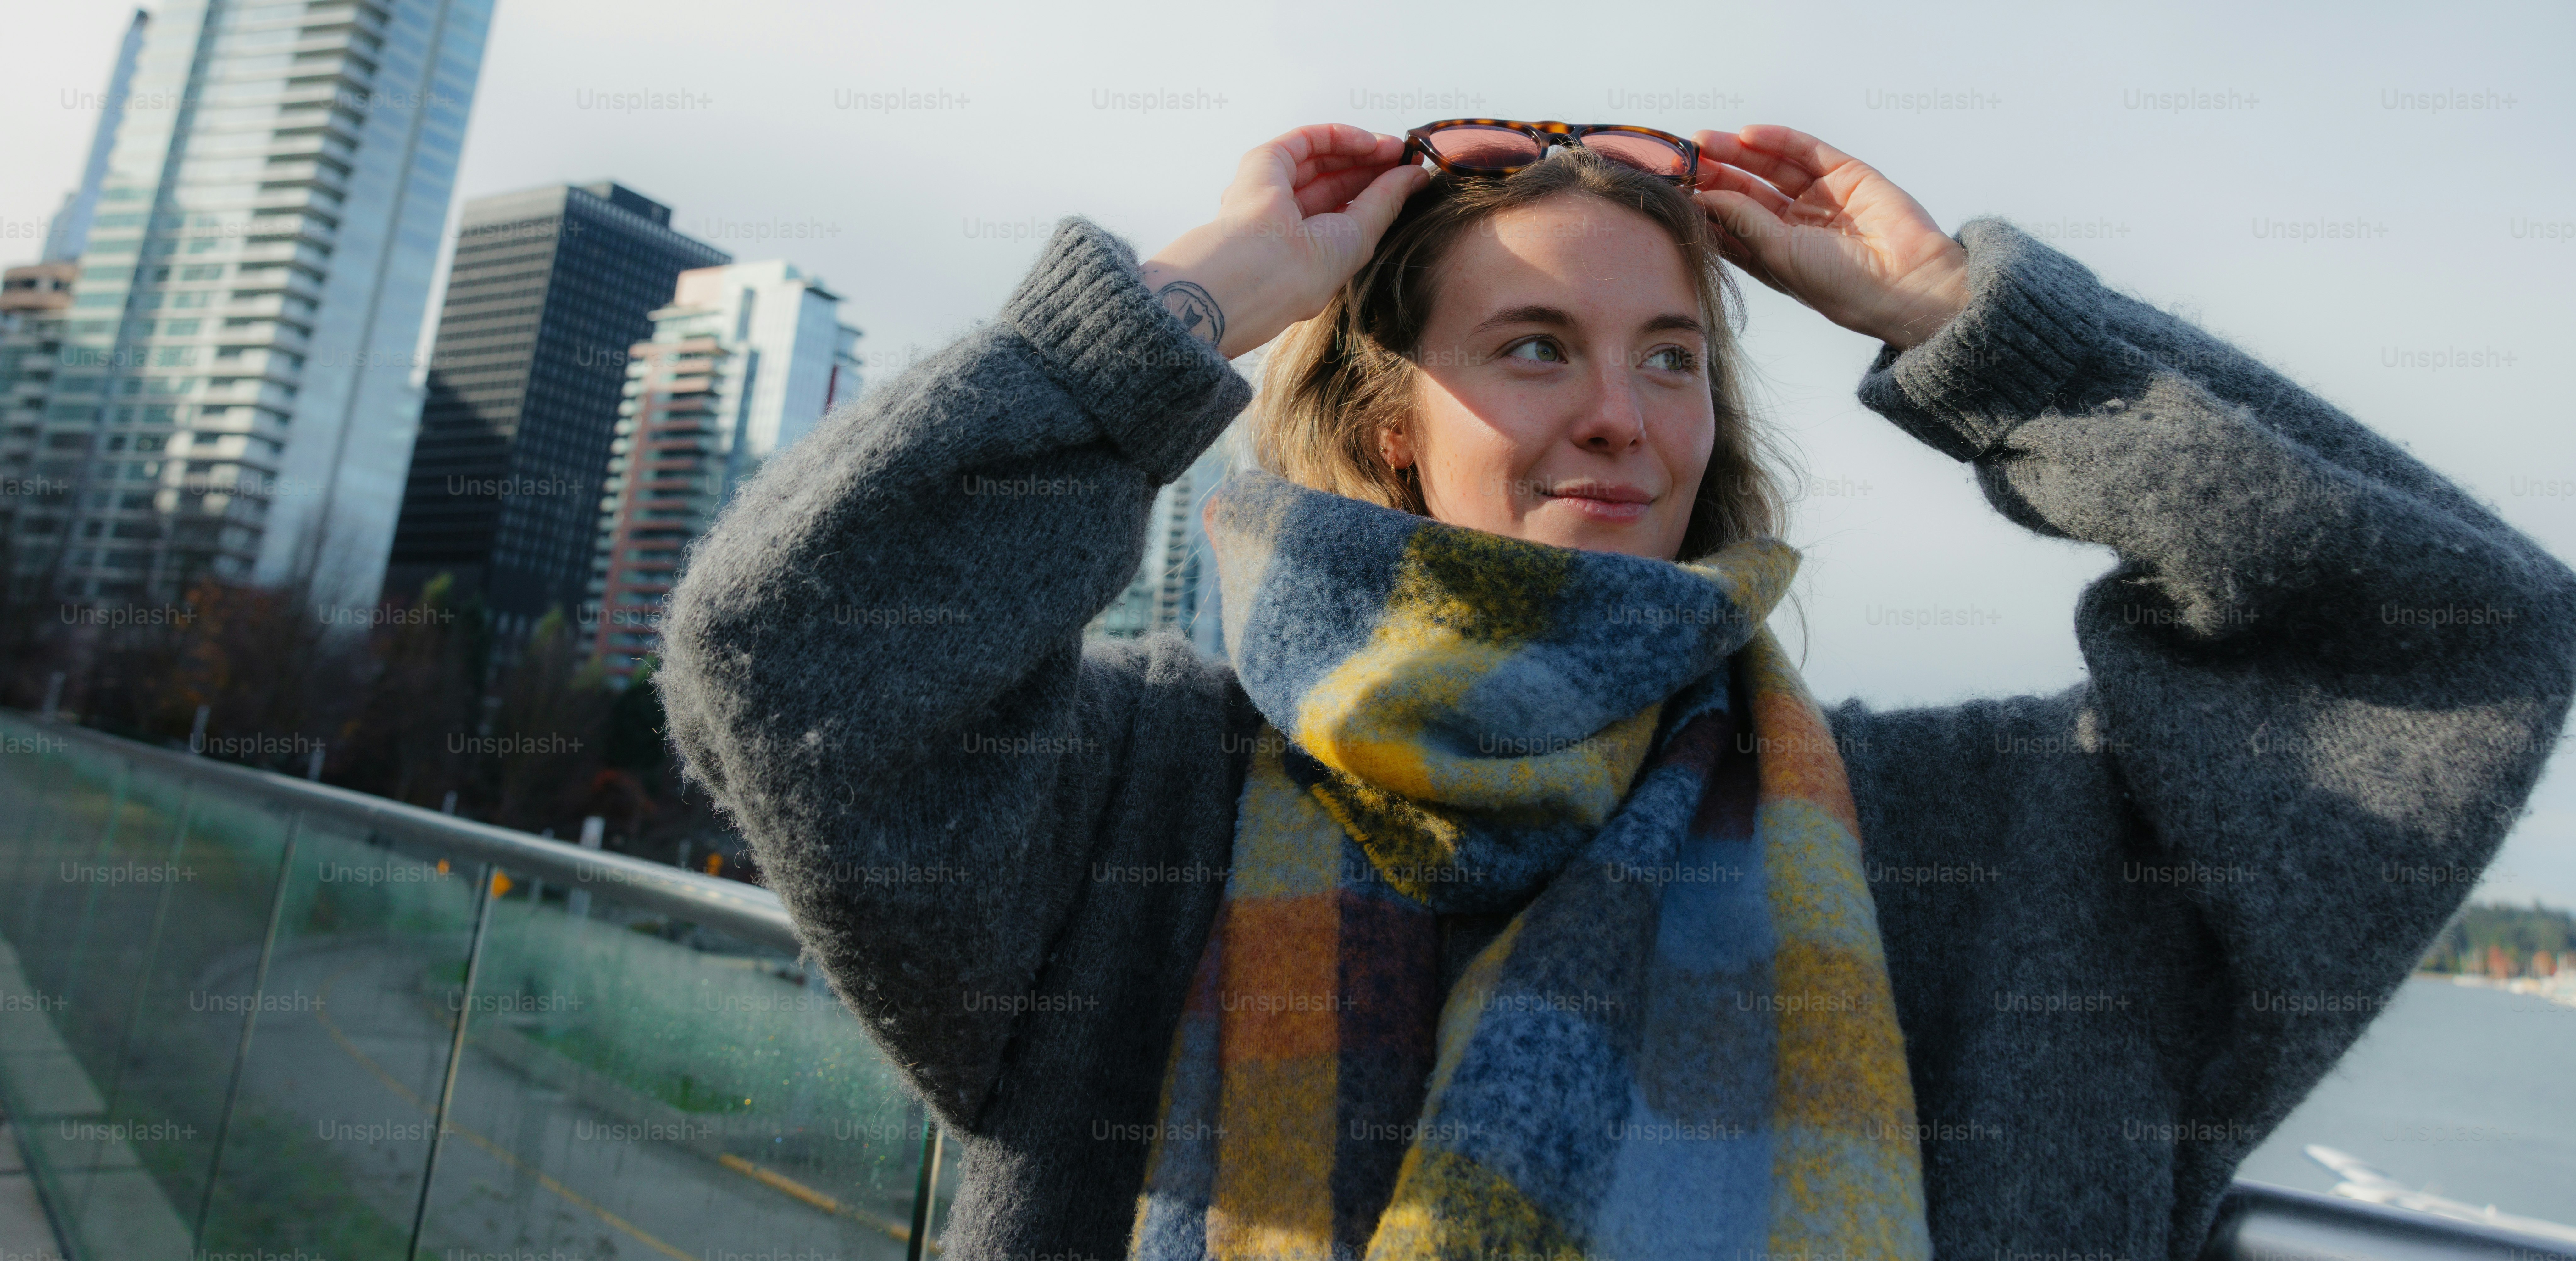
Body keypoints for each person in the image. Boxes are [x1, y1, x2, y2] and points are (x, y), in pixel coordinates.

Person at [656, 122, 2573, 1261]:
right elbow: (793, 642)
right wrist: (1194, 293)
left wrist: (1969, 328)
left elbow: (2445, 640)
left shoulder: (1971, 858)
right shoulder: (1136, 809)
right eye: (1535, 343)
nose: (1620, 413)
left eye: (1674, 355)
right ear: (1391, 426)